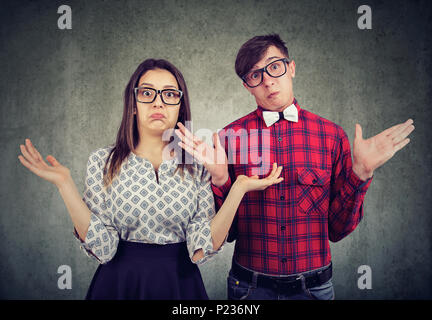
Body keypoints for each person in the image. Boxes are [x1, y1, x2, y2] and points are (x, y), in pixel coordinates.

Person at [17, 58, 284, 300]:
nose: (158, 102)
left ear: (180, 107)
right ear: (133, 105)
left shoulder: (197, 166)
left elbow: (202, 249)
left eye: (169, 94)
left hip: (181, 287)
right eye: (147, 93)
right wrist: (65, 184)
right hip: (117, 287)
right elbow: (103, 248)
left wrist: (237, 187)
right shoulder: (102, 162)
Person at [174, 34, 415, 300]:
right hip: (248, 290)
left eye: (274, 66)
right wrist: (220, 180)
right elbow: (226, 234)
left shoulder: (332, 136)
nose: (267, 80)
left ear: (291, 68)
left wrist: (361, 174)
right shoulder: (228, 138)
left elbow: (337, 230)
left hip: (314, 290)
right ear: (247, 86)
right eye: (255, 75)